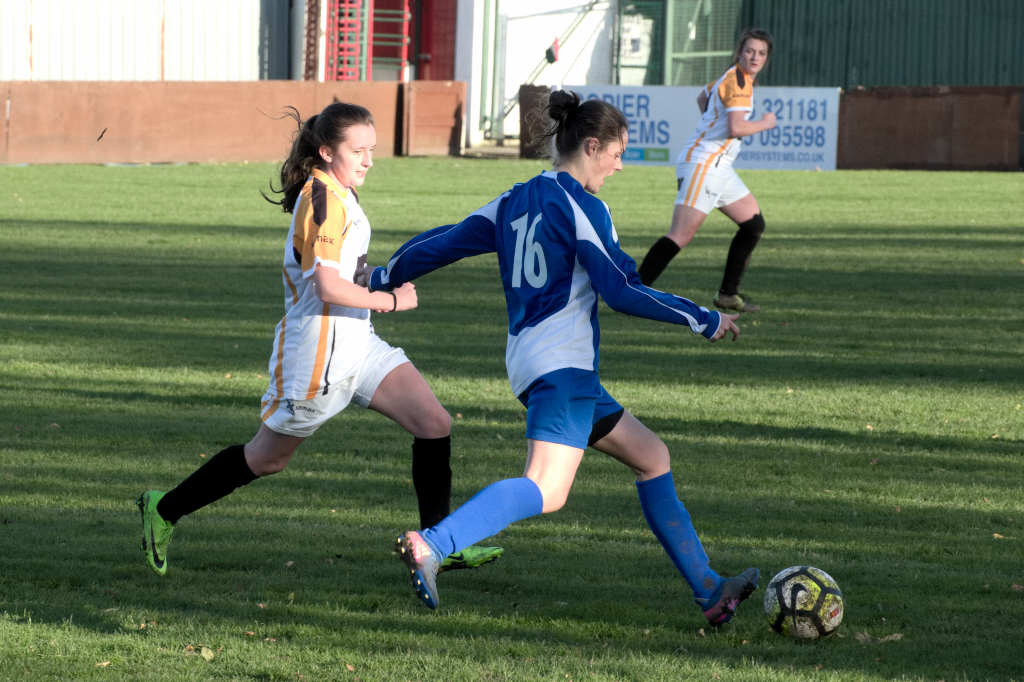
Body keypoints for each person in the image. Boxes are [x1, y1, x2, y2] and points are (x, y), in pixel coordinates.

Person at [369, 90, 758, 626]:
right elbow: (622, 290)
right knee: (547, 489)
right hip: (563, 366)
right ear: (592, 146)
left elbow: (447, 241)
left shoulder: (515, 198)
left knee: (652, 456)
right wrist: (703, 317)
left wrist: (385, 275)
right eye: (617, 153)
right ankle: (434, 542)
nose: (620, 166)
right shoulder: (584, 206)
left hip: (537, 364)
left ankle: (711, 591)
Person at [136, 101, 501, 577]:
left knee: (433, 423)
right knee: (266, 459)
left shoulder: (339, 190)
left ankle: (437, 543)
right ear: (328, 152)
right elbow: (326, 286)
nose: (369, 160)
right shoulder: (324, 199)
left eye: (372, 149)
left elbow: (344, 272)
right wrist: (392, 301)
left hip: (357, 340)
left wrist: (377, 281)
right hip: (319, 354)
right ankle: (163, 510)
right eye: (358, 150)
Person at [637, 28, 777, 313]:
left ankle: (727, 295)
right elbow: (737, 127)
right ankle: (631, 292)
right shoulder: (738, 82)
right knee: (679, 236)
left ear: (766, 58)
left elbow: (702, 97)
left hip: (718, 166)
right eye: (750, 50)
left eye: (761, 53)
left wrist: (711, 125)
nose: (755, 57)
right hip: (705, 164)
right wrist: (766, 123)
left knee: (753, 224)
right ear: (740, 52)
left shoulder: (733, 76)